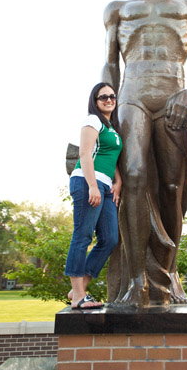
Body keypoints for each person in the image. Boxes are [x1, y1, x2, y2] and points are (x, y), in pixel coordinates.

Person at [102, 0, 187, 306]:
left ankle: (167, 274)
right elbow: (109, 65)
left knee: (172, 187)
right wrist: (103, 113)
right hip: (132, 95)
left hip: (173, 94)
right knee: (133, 174)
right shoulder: (118, 8)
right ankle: (136, 281)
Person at [65, 83, 122, 310]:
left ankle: (78, 288)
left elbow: (112, 157)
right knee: (83, 235)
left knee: (110, 239)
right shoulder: (93, 121)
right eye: (103, 97)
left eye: (112, 96)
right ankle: (79, 296)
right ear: (95, 101)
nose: (109, 99)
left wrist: (118, 181)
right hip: (87, 182)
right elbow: (85, 154)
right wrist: (92, 186)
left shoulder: (112, 128)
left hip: (106, 186)